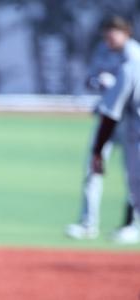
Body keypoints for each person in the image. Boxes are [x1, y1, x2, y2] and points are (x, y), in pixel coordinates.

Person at [65, 15, 139, 244]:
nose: (109, 39)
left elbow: (113, 111)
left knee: (134, 176)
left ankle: (134, 225)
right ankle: (88, 224)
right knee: (93, 170)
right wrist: (100, 82)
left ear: (126, 33)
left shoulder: (133, 60)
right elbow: (90, 79)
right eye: (106, 35)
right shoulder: (104, 51)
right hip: (112, 117)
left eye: (113, 34)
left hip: (131, 123)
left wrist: (112, 85)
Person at [89, 15, 140, 244]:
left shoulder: (130, 66)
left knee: (136, 181)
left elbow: (110, 115)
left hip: (134, 132)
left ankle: (132, 225)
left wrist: (97, 150)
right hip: (131, 127)